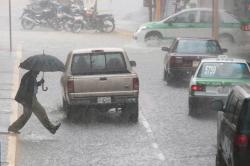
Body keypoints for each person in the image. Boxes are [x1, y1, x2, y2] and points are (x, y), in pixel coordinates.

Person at [8, 70, 61, 134]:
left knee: (27, 115)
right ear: (34, 69)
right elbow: (23, 88)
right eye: (37, 71)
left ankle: (13, 127)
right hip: (28, 99)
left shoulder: (32, 76)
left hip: (31, 99)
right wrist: (23, 100)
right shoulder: (28, 77)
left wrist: (39, 83)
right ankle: (51, 128)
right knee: (41, 112)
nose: (38, 73)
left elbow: (33, 86)